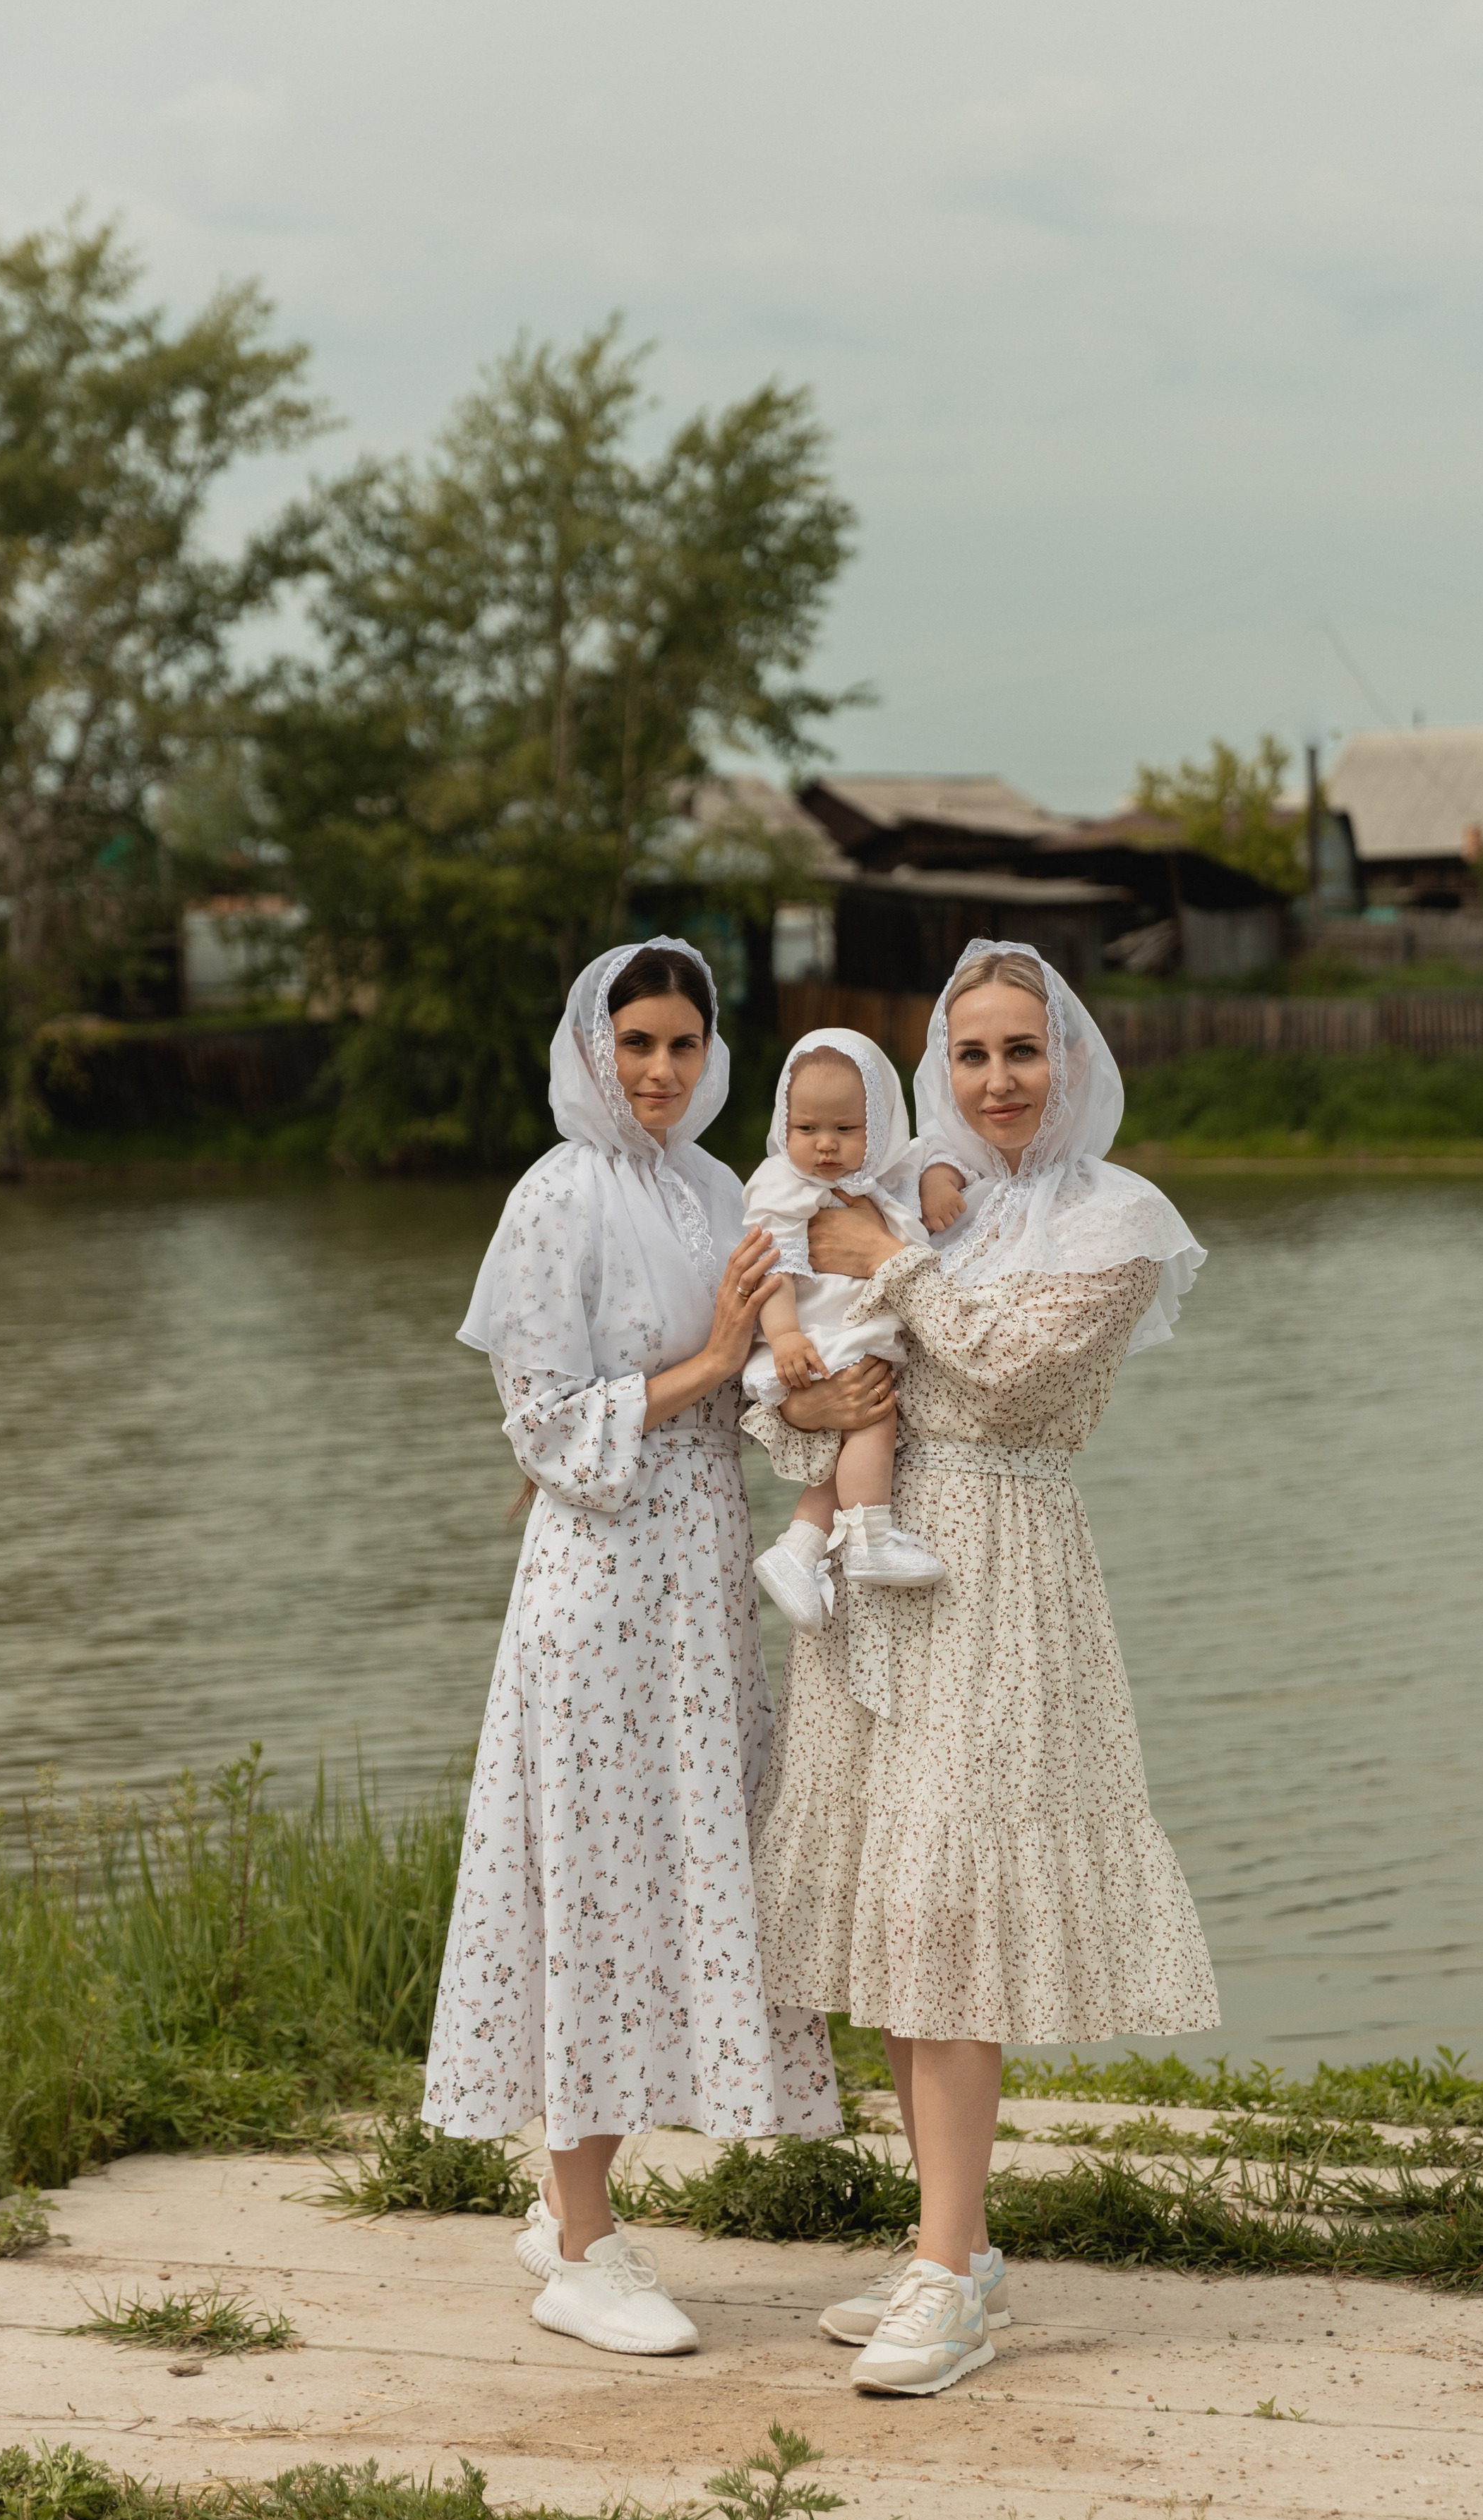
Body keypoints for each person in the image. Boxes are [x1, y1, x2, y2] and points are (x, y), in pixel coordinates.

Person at [744, 939, 1219, 2398]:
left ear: (1066, 1061)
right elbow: (813, 1392)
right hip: (870, 1564)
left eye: (1022, 1051)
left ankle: (948, 2278)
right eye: (969, 1055)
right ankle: (949, 2242)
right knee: (897, 1902)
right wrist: (808, 1391)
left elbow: (1011, 1376)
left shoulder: (1114, 1217)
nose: (997, 1080)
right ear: (937, 1071)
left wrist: (890, 1266)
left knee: (948, 1907)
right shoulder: (900, 1198)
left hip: (999, 1567)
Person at [421, 936, 841, 2360]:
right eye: (634, 1044)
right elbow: (545, 1428)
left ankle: (567, 2202)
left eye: (679, 1044)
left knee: (678, 1875)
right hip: (596, 1586)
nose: (657, 1070)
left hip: (701, 1584)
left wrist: (805, 1377)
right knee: (593, 1881)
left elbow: (756, 1382)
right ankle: (582, 2237)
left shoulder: (721, 1188)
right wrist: (714, 1365)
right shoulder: (557, 1196)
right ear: (592, 1049)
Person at [743, 1027, 947, 1629]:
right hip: (822, 1332)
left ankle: (799, 1550)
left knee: (847, 1440)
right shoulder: (786, 1184)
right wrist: (783, 1336)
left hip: (849, 1330)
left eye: (846, 1130)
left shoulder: (885, 1178)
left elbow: (939, 1154)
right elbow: (771, 1267)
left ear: (878, 1127)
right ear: (785, 1126)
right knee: (874, 1416)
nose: (825, 1146)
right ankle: (867, 1539)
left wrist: (942, 1182)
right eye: (806, 1130)